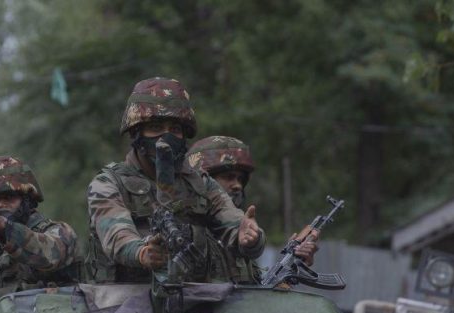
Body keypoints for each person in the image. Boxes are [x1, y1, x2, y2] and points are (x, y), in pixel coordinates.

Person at [86, 77, 265, 283]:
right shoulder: (108, 183)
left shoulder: (200, 183)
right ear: (136, 133)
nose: (167, 137)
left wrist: (250, 237)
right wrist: (141, 252)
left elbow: (233, 222)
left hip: (192, 296)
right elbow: (116, 234)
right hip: (124, 296)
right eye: (156, 127)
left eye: (175, 130)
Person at [185, 136, 319, 283]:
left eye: (240, 179)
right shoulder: (185, 231)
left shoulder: (238, 235)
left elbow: (252, 293)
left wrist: (293, 261)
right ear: (204, 181)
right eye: (228, 177)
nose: (238, 185)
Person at [0, 156, 77, 308]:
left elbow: (50, 255)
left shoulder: (59, 232)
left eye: (9, 197)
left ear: (27, 199)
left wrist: (5, 226)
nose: (0, 205)